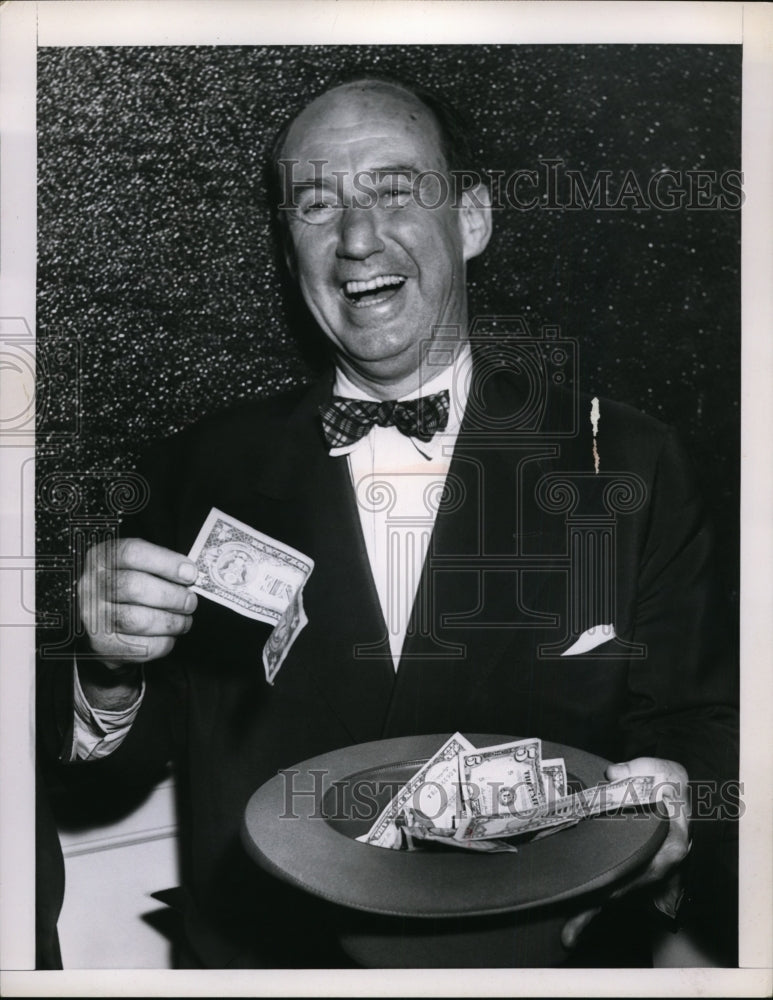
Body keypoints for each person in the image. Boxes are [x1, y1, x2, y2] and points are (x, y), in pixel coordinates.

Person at [39, 75, 738, 968]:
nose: (357, 238)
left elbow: (700, 722)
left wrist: (678, 795)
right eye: (315, 204)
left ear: (471, 220)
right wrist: (104, 674)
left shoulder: (628, 462)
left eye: (395, 190)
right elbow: (110, 772)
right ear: (287, 246)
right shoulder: (197, 471)